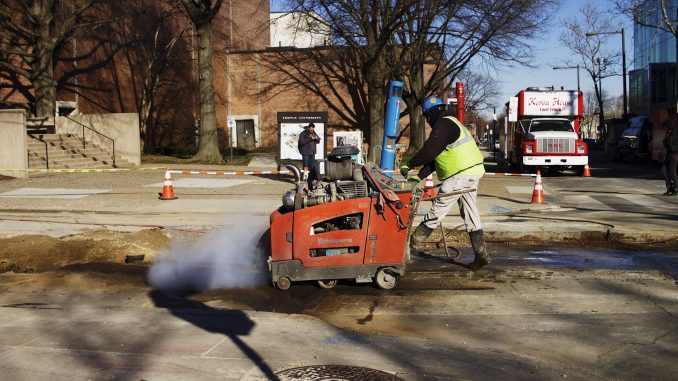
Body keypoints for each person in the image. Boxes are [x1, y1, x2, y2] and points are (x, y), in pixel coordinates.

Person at [400, 95, 491, 270]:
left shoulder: (443, 124)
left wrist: (409, 163)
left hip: (460, 175)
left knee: (438, 209)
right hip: (472, 171)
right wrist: (418, 177)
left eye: (427, 117)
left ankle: (409, 246)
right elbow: (436, 158)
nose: (427, 121)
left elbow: (429, 151)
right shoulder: (452, 123)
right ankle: (481, 254)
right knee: (470, 213)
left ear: (431, 114)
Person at [662, 108, 678, 196]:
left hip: (674, 153)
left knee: (672, 172)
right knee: (664, 171)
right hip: (670, 152)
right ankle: (670, 187)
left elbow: (669, 140)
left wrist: (665, 141)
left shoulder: (674, 126)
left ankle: (675, 188)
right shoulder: (672, 125)